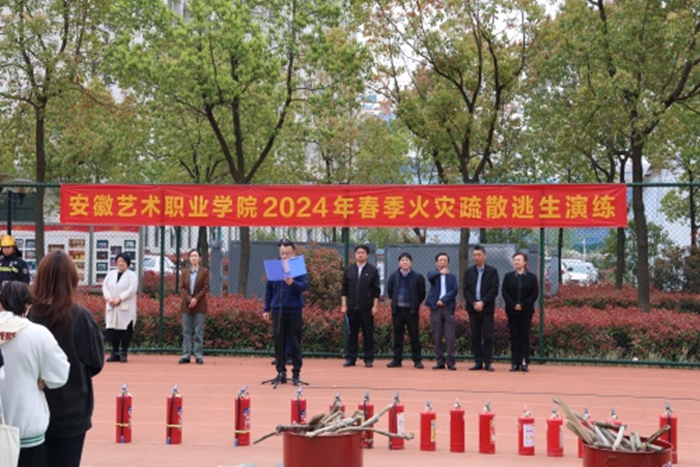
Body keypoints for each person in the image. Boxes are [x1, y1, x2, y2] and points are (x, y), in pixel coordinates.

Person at [28, 251, 104, 467]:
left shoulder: (30, 316)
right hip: (72, 410)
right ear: (72, 280)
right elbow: (96, 362)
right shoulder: (81, 317)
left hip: (34, 410)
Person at [0, 281, 70, 467]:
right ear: (28, 305)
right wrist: (44, 381)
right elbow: (60, 373)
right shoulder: (38, 334)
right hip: (27, 426)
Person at [263, 239, 308, 385]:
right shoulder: (275, 265)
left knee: (295, 342)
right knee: (279, 342)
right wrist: (266, 308)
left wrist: (293, 283)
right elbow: (269, 289)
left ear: (293, 252)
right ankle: (281, 372)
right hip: (278, 309)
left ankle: (296, 373)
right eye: (282, 253)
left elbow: (304, 286)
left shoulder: (297, 265)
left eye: (287, 253)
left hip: (294, 309)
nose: (284, 256)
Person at [341, 244, 380, 368]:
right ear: (355, 254)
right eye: (358, 253)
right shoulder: (349, 270)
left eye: (363, 253)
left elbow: (376, 290)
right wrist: (344, 305)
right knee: (352, 334)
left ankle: (368, 359)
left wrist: (375, 306)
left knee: (368, 334)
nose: (360, 255)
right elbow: (344, 289)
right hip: (352, 307)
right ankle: (351, 358)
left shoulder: (372, 270)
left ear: (367, 255)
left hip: (367, 308)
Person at [386, 252, 426, 369]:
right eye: (402, 260)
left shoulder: (417, 276)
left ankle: (417, 360)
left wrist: (415, 304)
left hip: (411, 311)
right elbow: (390, 291)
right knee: (397, 336)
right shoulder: (394, 276)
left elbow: (422, 293)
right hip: (397, 311)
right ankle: (397, 359)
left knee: (414, 335)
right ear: (399, 263)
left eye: (407, 260)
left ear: (411, 263)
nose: (405, 262)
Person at [463, 245, 500, 372]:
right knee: (475, 336)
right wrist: (474, 303)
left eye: (479, 255)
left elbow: (494, 289)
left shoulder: (492, 271)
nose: (476, 257)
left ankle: (487, 362)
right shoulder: (468, 272)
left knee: (488, 336)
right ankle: (478, 361)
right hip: (473, 308)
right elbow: (465, 289)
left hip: (487, 308)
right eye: (474, 255)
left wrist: (482, 302)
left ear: (485, 256)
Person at [502, 252, 539, 372]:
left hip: (526, 311)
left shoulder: (532, 277)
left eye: (519, 260)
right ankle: (514, 362)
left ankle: (524, 362)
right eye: (515, 260)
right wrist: (513, 305)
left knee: (524, 336)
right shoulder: (508, 276)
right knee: (514, 336)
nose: (516, 262)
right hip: (512, 311)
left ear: (525, 262)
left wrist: (522, 305)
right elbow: (505, 292)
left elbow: (535, 293)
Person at [102, 253, 138, 363]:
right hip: (112, 306)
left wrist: (120, 298)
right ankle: (115, 353)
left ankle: (124, 353)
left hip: (125, 308)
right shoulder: (110, 274)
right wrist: (109, 298)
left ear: (128, 263)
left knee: (125, 331)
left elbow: (131, 290)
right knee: (112, 331)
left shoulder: (132, 276)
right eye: (118, 261)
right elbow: (104, 287)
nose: (121, 264)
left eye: (123, 261)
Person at [425, 252, 459, 371]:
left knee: (450, 336)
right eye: (440, 260)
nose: (443, 262)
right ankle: (440, 361)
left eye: (445, 260)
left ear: (448, 262)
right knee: (437, 335)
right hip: (435, 309)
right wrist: (440, 273)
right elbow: (430, 277)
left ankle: (450, 361)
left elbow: (454, 291)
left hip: (448, 308)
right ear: (436, 263)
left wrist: (443, 300)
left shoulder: (452, 277)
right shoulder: (433, 275)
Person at [179, 249, 210, 365]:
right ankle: (186, 355)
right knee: (186, 331)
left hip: (199, 305)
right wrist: (189, 299)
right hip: (186, 305)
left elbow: (205, 288)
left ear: (200, 258)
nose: (193, 258)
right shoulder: (184, 272)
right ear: (189, 258)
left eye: (195, 256)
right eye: (191, 256)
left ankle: (198, 355)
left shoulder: (204, 272)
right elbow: (182, 288)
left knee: (198, 331)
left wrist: (196, 299)